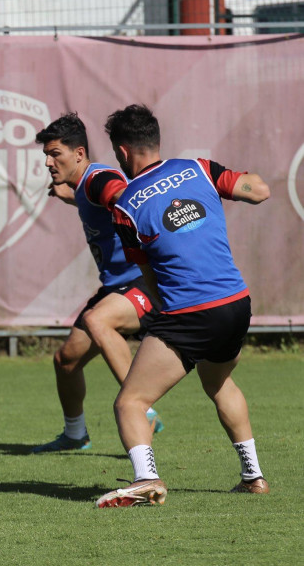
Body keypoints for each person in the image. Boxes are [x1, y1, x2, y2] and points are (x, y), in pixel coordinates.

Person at [96, 104, 270, 508]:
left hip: (191, 314)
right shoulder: (200, 169)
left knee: (131, 402)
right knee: (219, 383)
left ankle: (146, 479)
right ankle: (253, 477)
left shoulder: (125, 206)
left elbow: (149, 277)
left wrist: (164, 318)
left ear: (122, 152)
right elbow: (259, 191)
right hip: (236, 304)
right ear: (155, 140)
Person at [32, 113, 163, 453]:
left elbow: (119, 194)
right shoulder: (83, 185)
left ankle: (143, 409)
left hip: (142, 282)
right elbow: (94, 199)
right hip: (115, 285)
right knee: (66, 361)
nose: (48, 161)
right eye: (46, 155)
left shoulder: (99, 177)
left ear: (79, 153)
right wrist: (66, 193)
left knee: (98, 319)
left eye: (55, 154)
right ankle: (76, 435)